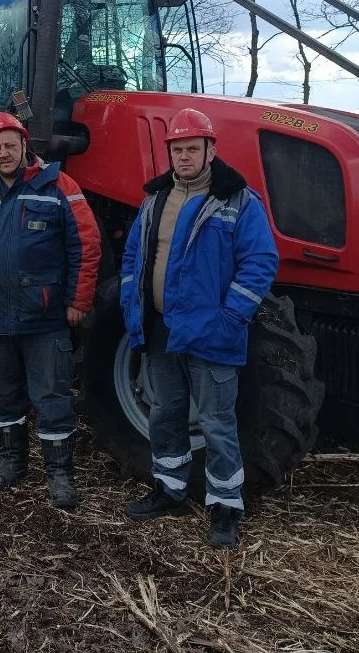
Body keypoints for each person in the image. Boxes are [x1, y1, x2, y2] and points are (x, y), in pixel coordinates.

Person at [118, 107, 278, 548]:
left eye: (192, 148)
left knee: (216, 422)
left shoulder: (238, 201)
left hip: (211, 333)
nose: (184, 156)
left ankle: (226, 507)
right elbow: (133, 256)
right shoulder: (156, 200)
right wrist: (132, 300)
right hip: (161, 330)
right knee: (167, 413)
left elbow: (260, 263)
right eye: (177, 149)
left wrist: (230, 319)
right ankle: (169, 488)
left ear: (211, 150)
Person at [0, 112, 101, 510]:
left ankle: (59, 473)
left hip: (43, 319)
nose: (4, 153)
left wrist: (79, 300)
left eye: (10, 145)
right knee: (4, 395)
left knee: (52, 397)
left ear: (24, 146)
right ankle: (12, 461)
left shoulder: (58, 186)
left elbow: (85, 244)